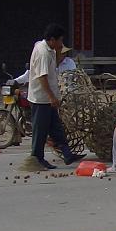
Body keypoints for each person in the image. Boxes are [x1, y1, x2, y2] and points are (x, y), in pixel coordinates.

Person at [27, 24, 82, 170]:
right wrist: (51, 97)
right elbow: (42, 77)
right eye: (60, 40)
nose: (61, 43)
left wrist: (58, 53)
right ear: (52, 39)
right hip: (41, 99)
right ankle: (37, 158)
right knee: (41, 130)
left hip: (48, 98)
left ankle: (67, 153)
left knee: (56, 127)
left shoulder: (50, 49)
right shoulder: (43, 53)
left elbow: (54, 67)